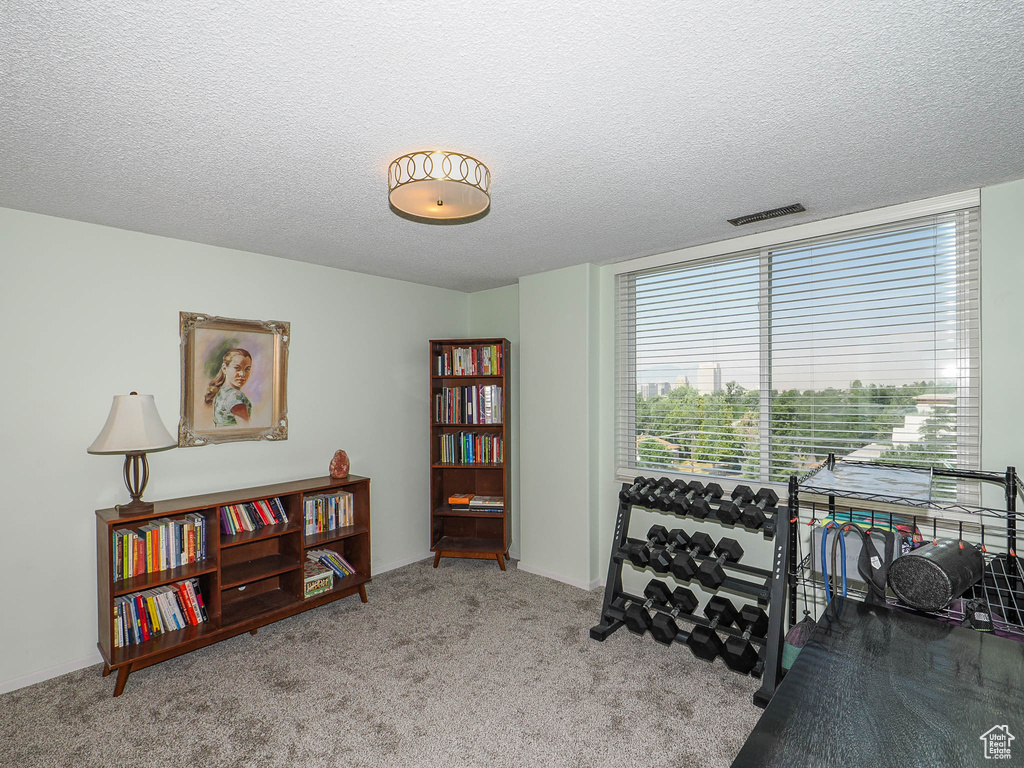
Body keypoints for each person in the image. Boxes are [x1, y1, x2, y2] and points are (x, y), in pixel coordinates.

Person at [204, 348, 254, 426]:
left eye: (247, 369)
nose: (242, 374)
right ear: (224, 368)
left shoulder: (221, 391)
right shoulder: (235, 396)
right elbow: (246, 428)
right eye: (237, 368)